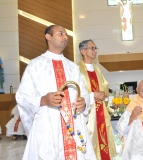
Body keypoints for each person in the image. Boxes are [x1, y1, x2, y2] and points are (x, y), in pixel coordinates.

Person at [15, 25, 96, 160]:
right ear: (48, 37)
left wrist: (84, 102)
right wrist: (43, 100)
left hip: (74, 125)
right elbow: (22, 97)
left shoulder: (73, 67)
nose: (65, 37)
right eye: (60, 34)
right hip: (48, 125)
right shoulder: (36, 65)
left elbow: (84, 92)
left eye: (66, 34)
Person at [78, 39, 116, 160]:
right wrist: (93, 95)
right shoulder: (76, 69)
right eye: (92, 48)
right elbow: (76, 93)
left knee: (103, 143)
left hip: (101, 113)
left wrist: (103, 94)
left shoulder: (97, 69)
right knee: (90, 143)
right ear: (83, 51)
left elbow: (105, 87)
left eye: (95, 48)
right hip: (88, 115)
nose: (95, 51)